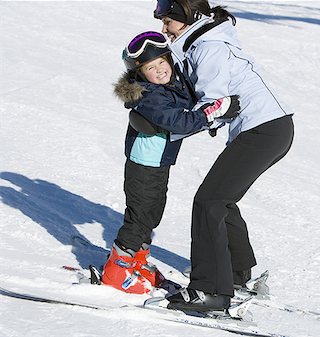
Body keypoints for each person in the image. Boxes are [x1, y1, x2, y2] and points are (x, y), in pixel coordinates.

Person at [153, 0, 295, 312]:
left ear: (187, 16)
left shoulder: (210, 47)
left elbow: (215, 103)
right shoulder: (205, 41)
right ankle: (235, 272)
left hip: (263, 129)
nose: (164, 29)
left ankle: (211, 291)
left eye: (168, 21)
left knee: (210, 201)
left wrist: (172, 130)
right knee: (221, 199)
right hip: (270, 128)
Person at [102, 30, 240, 294]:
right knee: (140, 216)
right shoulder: (149, 95)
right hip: (144, 165)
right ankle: (116, 271)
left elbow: (189, 109)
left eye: (162, 63)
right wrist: (210, 114)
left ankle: (137, 262)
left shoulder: (171, 86)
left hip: (158, 163)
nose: (160, 70)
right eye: (151, 68)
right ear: (141, 75)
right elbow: (179, 122)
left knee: (152, 212)